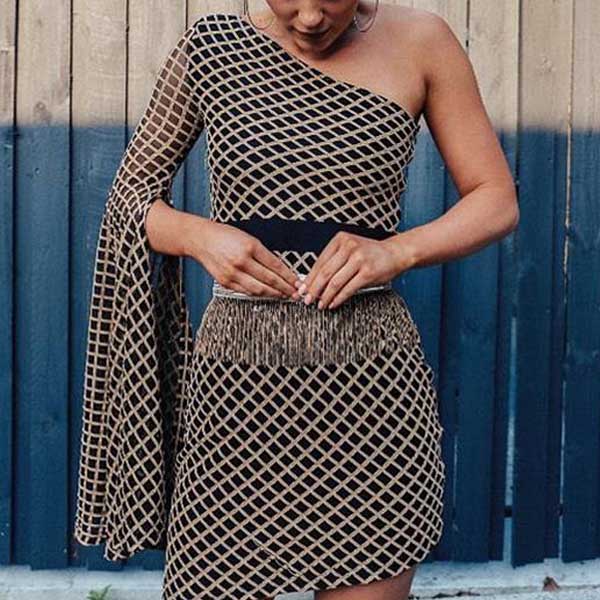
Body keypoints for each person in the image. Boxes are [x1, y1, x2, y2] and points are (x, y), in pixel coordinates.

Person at [73, 2, 519, 599]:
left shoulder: (423, 42)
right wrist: (199, 236)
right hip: (234, 401)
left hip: (372, 404)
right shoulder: (212, 47)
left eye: (329, 1)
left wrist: (397, 251)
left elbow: (495, 199)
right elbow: (130, 197)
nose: (309, 18)